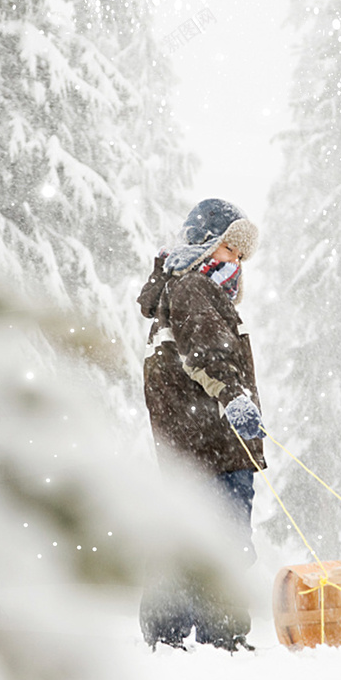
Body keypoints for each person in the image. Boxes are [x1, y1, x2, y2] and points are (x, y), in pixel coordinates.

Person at [136, 198, 266, 652]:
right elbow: (204, 354)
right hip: (212, 442)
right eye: (233, 250)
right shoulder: (194, 288)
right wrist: (235, 399)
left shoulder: (180, 290)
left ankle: (170, 633)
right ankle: (219, 636)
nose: (238, 263)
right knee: (223, 540)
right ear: (208, 245)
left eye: (242, 255)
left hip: (193, 444)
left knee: (190, 537)